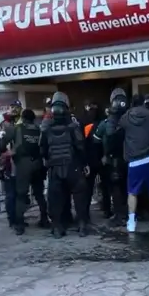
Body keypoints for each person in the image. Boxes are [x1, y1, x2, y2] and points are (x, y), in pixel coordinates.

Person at [106, 90, 149, 232]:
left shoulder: (125, 118)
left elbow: (115, 134)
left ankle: (131, 222)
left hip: (135, 161)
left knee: (132, 192)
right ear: (143, 103)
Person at [40, 92, 89, 238]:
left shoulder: (45, 127)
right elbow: (80, 146)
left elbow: (42, 149)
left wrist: (48, 160)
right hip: (72, 166)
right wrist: (83, 163)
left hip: (55, 168)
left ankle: (57, 228)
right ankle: (82, 226)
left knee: (55, 199)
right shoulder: (73, 126)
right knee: (80, 197)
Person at [1, 109, 49, 234]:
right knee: (39, 194)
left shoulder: (17, 129)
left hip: (23, 164)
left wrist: (2, 153)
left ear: (23, 118)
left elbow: (3, 142)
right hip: (38, 163)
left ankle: (19, 224)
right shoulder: (39, 129)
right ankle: (44, 219)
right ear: (33, 119)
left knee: (21, 194)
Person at [95, 89, 129, 227]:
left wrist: (102, 156)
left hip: (112, 160)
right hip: (128, 159)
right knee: (127, 188)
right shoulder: (130, 119)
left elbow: (96, 141)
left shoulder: (106, 123)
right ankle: (128, 214)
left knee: (115, 189)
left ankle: (119, 215)